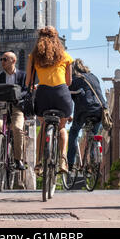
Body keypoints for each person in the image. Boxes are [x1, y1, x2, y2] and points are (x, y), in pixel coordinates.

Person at [25, 26, 74, 174]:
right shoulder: (65, 56)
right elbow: (69, 81)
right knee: (62, 127)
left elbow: (28, 81)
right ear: (56, 39)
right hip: (62, 95)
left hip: (43, 95)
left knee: (44, 125)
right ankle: (63, 160)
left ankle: (39, 163)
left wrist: (36, 85)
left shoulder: (33, 57)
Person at [0, 51, 26, 171]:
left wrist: (17, 96)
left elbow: (26, 91)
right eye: (1, 59)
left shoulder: (22, 75)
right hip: (1, 106)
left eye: (5, 59)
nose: (2, 62)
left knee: (18, 128)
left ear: (13, 61)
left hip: (16, 108)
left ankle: (18, 160)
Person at [67, 59, 108, 171]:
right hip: (101, 109)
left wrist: (67, 115)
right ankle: (92, 162)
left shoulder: (74, 80)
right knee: (93, 134)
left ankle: (70, 163)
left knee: (74, 132)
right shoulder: (94, 77)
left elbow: (68, 99)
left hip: (84, 110)